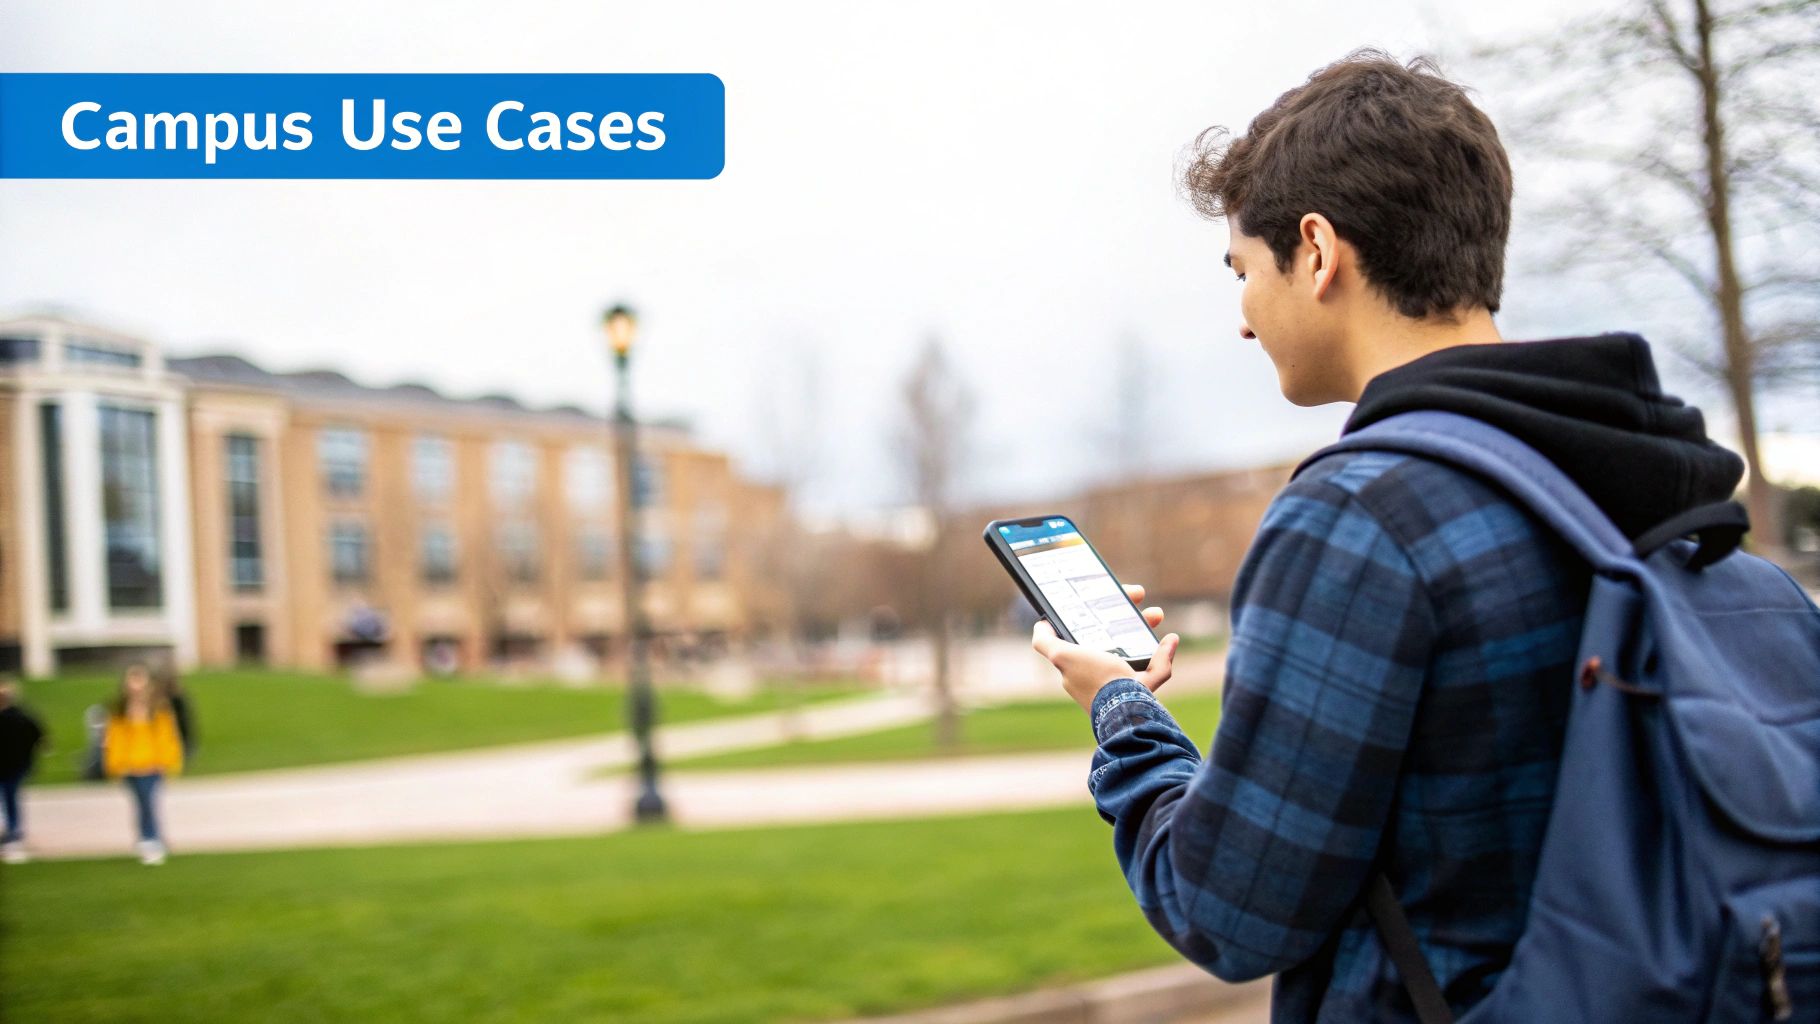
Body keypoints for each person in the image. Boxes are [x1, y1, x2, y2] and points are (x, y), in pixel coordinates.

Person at [1031, 51, 1749, 1022]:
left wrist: (1121, 711)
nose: (1242, 319)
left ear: (1317, 252)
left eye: (1242, 269)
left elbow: (1226, 908)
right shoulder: (1652, 473)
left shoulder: (1360, 517)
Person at [104, 663, 185, 865]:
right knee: (140, 803)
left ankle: (152, 839)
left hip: (151, 765)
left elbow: (167, 737)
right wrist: (116, 764)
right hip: (130, 766)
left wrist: (167, 762)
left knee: (148, 802)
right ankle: (147, 837)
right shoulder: (120, 710)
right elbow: (114, 739)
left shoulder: (157, 709)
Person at [0, 680, 48, 864]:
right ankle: (12, 831)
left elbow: (36, 737)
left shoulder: (20, 717)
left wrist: (29, 756)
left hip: (13, 766)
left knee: (10, 797)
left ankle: (14, 831)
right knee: (9, 798)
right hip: (14, 765)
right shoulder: (22, 716)